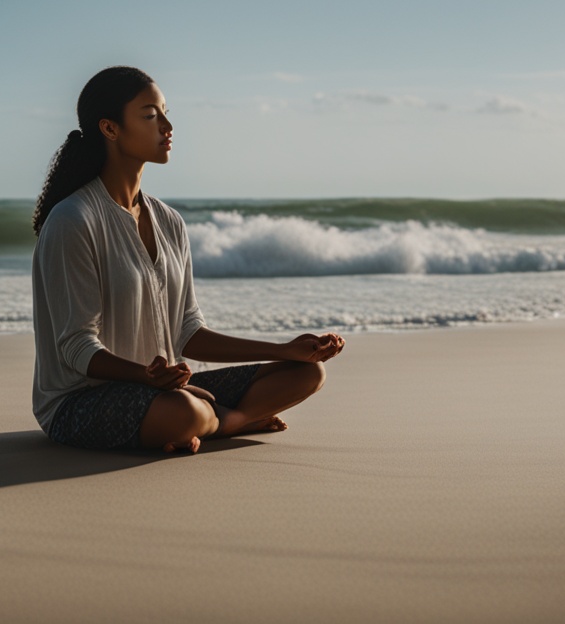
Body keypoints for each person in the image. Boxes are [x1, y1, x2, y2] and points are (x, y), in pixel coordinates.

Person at [31, 66, 344, 454]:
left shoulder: (169, 221)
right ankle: (230, 421)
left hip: (170, 389)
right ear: (110, 129)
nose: (167, 125)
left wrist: (283, 349)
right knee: (183, 412)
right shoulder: (73, 220)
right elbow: (76, 348)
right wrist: (147, 378)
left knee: (308, 372)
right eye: (150, 115)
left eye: (164, 112)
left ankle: (211, 420)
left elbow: (189, 332)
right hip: (81, 403)